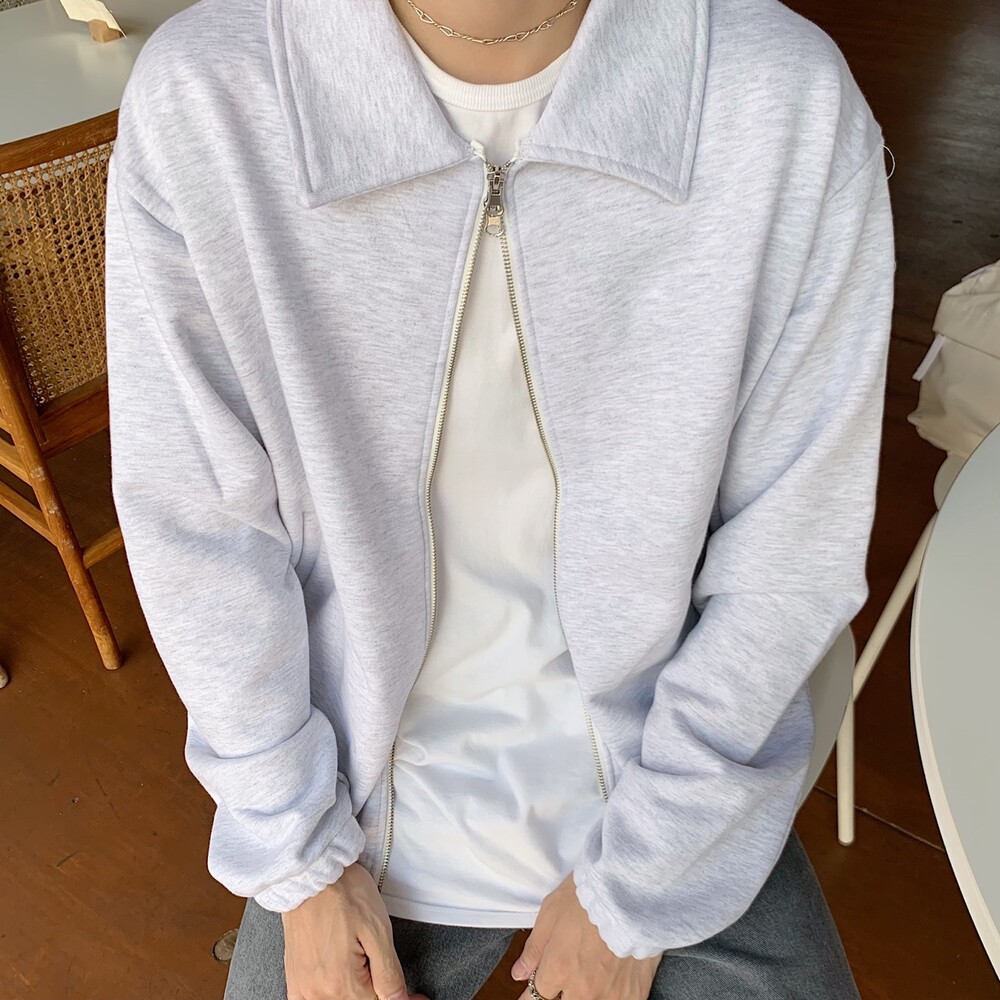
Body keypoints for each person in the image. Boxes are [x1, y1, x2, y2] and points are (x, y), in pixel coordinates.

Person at [103, 0, 895, 998]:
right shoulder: (208, 97)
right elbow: (202, 536)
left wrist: (640, 885)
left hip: (670, 786)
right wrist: (302, 862)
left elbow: (788, 556)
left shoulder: (781, 100)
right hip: (348, 813)